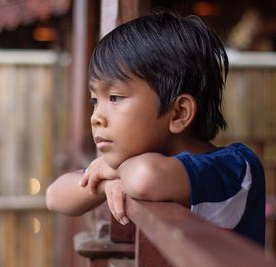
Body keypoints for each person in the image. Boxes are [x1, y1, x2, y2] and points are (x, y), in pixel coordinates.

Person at [46, 11, 265, 246]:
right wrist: (106, 184)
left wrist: (112, 170)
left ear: (179, 113)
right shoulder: (134, 159)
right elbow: (54, 195)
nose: (96, 117)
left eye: (116, 97)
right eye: (94, 101)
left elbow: (144, 178)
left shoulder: (236, 167)